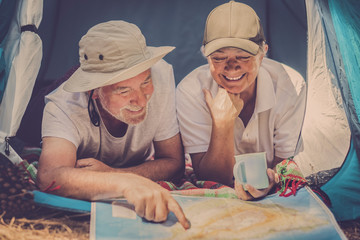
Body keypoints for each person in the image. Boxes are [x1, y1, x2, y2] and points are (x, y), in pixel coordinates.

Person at [37, 20, 189, 229]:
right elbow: (49, 177)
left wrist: (115, 175)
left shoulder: (161, 74)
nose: (142, 101)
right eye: (124, 90)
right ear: (93, 91)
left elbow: (174, 162)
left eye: (145, 82)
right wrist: (126, 185)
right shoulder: (62, 106)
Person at [176, 1, 306, 200]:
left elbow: (283, 165)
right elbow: (210, 179)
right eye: (218, 58)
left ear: (262, 55)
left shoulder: (290, 86)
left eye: (243, 56)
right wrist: (223, 124)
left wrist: (272, 178)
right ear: (206, 57)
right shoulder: (191, 91)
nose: (231, 67)